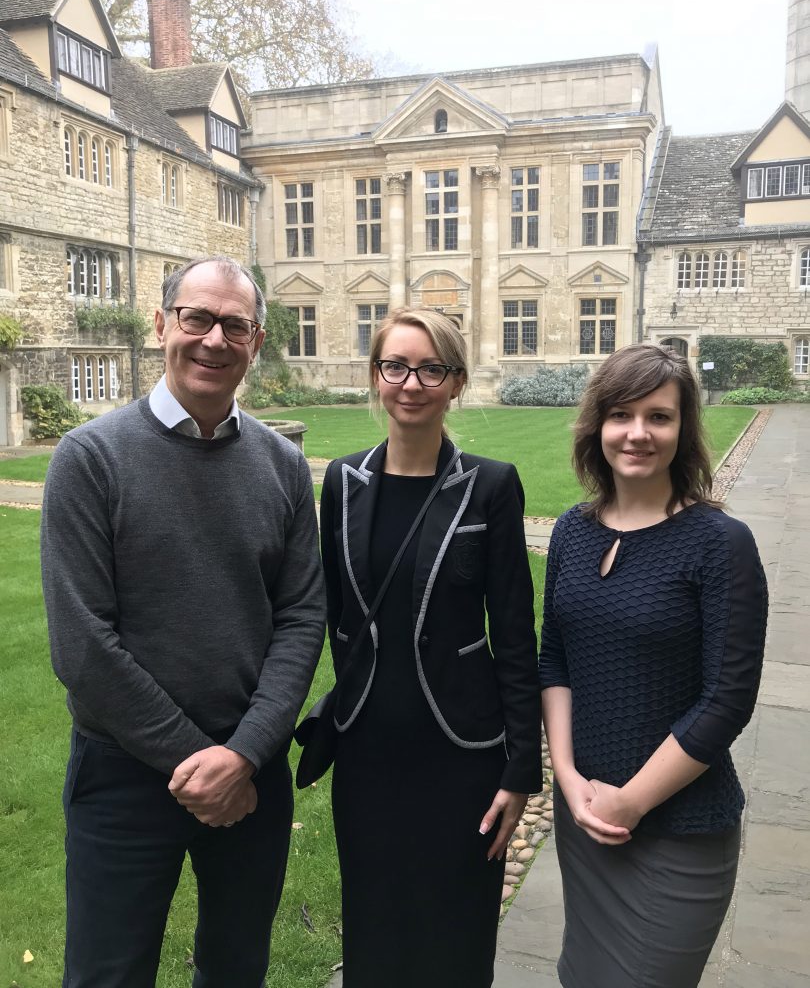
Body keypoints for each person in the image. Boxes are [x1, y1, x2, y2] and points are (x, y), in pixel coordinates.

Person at [41, 256, 325, 988]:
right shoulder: (90, 458)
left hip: (250, 767)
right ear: (161, 323)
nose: (214, 339)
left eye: (235, 325)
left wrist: (245, 754)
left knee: (236, 970)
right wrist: (196, 762)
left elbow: (301, 617)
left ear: (256, 343)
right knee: (108, 973)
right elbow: (82, 645)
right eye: (197, 317)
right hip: (125, 772)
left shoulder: (282, 466)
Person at [319, 307, 541, 988]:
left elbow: (513, 629)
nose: (410, 383)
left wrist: (521, 768)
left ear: (455, 382)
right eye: (396, 366)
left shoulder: (490, 486)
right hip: (367, 754)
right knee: (375, 930)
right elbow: (336, 618)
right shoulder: (342, 481)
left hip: (461, 756)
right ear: (376, 376)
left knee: (456, 939)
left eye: (430, 368)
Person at [539, 342, 768, 988]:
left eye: (659, 417)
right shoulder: (571, 533)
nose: (637, 433)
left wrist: (630, 803)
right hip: (585, 816)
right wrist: (566, 775)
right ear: (597, 427)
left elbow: (726, 700)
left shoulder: (720, 545)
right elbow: (553, 658)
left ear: (683, 429)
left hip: (678, 830)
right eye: (621, 414)